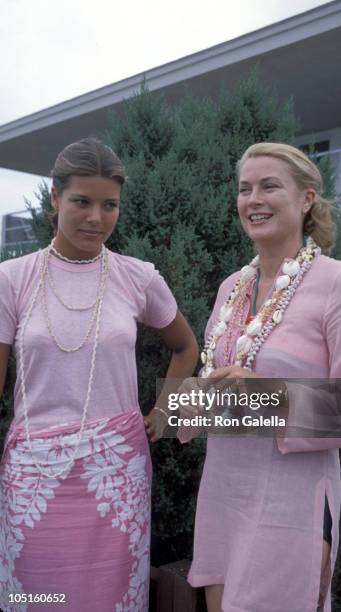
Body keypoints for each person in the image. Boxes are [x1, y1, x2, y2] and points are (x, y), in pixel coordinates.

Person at [178, 143, 341, 612]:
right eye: (244, 189)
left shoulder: (339, 282)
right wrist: (190, 400)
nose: (254, 199)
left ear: (307, 198)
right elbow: (218, 392)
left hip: (290, 505)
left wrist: (266, 396)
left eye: (270, 186)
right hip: (222, 495)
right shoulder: (231, 287)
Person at [0, 138, 198, 612]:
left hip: (116, 478)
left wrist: (165, 408)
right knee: (37, 596)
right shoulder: (12, 278)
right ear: (55, 198)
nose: (96, 217)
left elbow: (186, 347)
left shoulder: (138, 277)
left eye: (109, 205)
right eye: (81, 202)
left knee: (109, 597)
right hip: (34, 480)